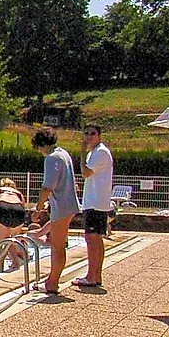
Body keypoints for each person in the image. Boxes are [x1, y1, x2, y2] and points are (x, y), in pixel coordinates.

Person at [34, 127, 79, 295]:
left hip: (62, 206)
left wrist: (38, 208)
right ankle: (52, 280)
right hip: (68, 204)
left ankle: (52, 282)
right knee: (57, 244)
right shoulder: (63, 153)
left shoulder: (51, 158)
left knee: (57, 246)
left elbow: (47, 186)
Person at [75, 124, 113, 289]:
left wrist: (81, 153)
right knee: (96, 239)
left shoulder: (99, 152)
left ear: (99, 135)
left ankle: (91, 276)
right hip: (97, 201)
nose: (89, 136)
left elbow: (86, 173)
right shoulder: (96, 152)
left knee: (91, 239)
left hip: (95, 202)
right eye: (87, 133)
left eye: (92, 133)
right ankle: (96, 275)